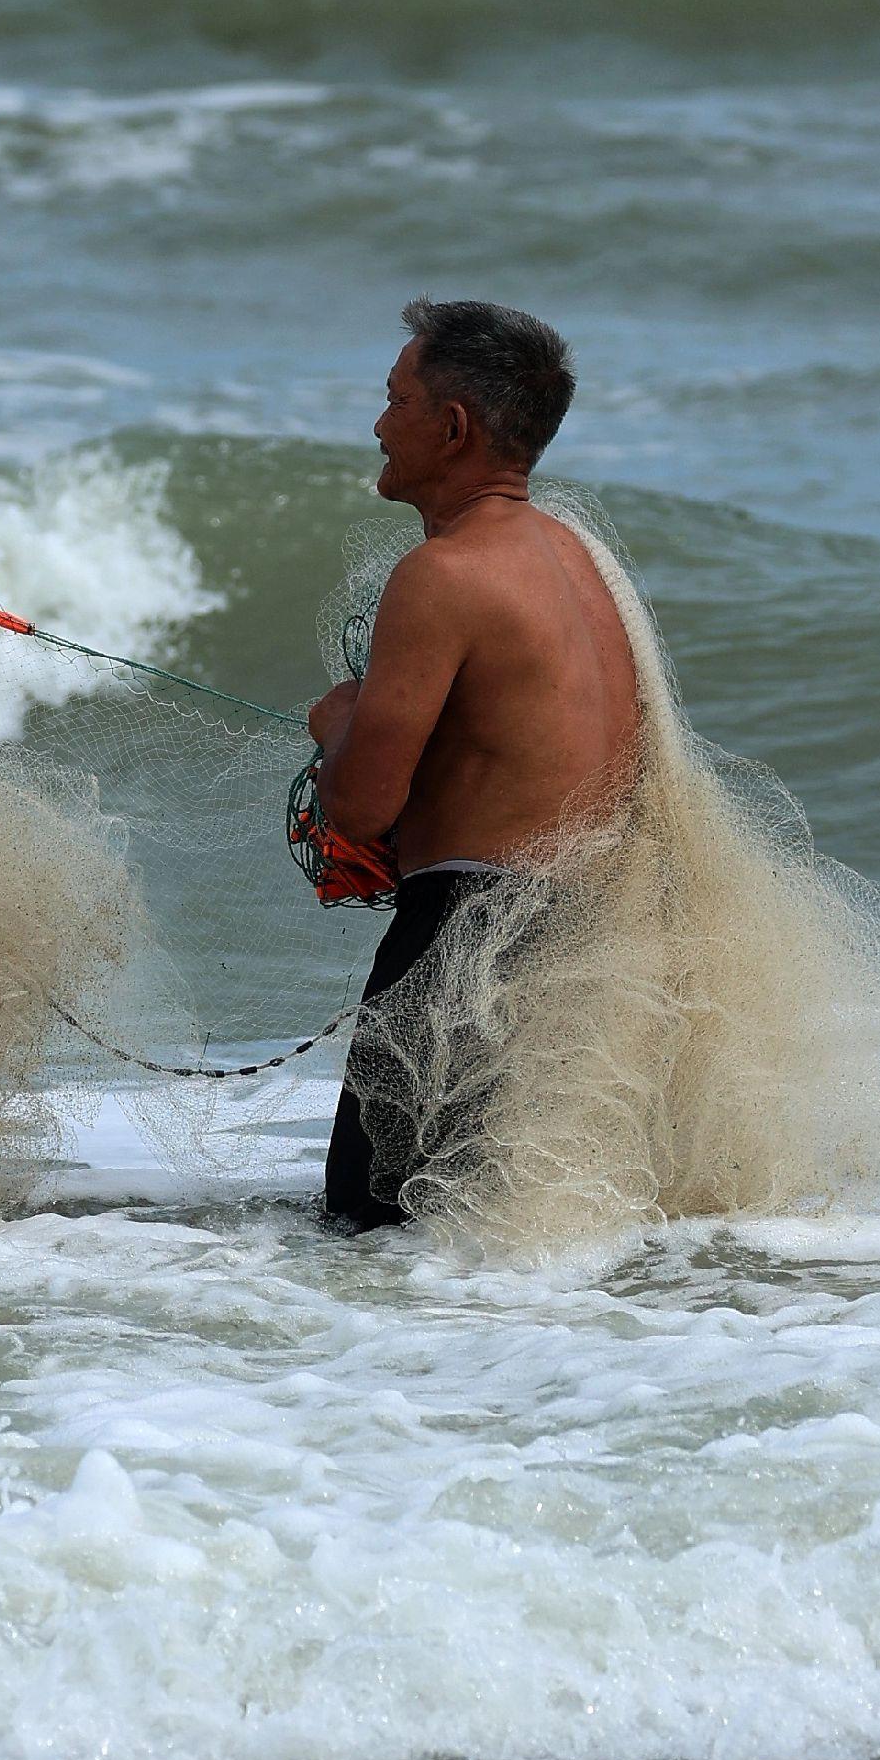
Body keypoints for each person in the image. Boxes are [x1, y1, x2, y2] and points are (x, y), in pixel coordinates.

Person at [307, 296, 639, 1231]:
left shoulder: (444, 575)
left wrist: (336, 722)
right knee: (509, 1244)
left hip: (466, 945)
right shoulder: (578, 561)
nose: (379, 425)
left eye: (395, 399)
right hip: (591, 941)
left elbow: (361, 808)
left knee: (375, 1232)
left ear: (453, 428)